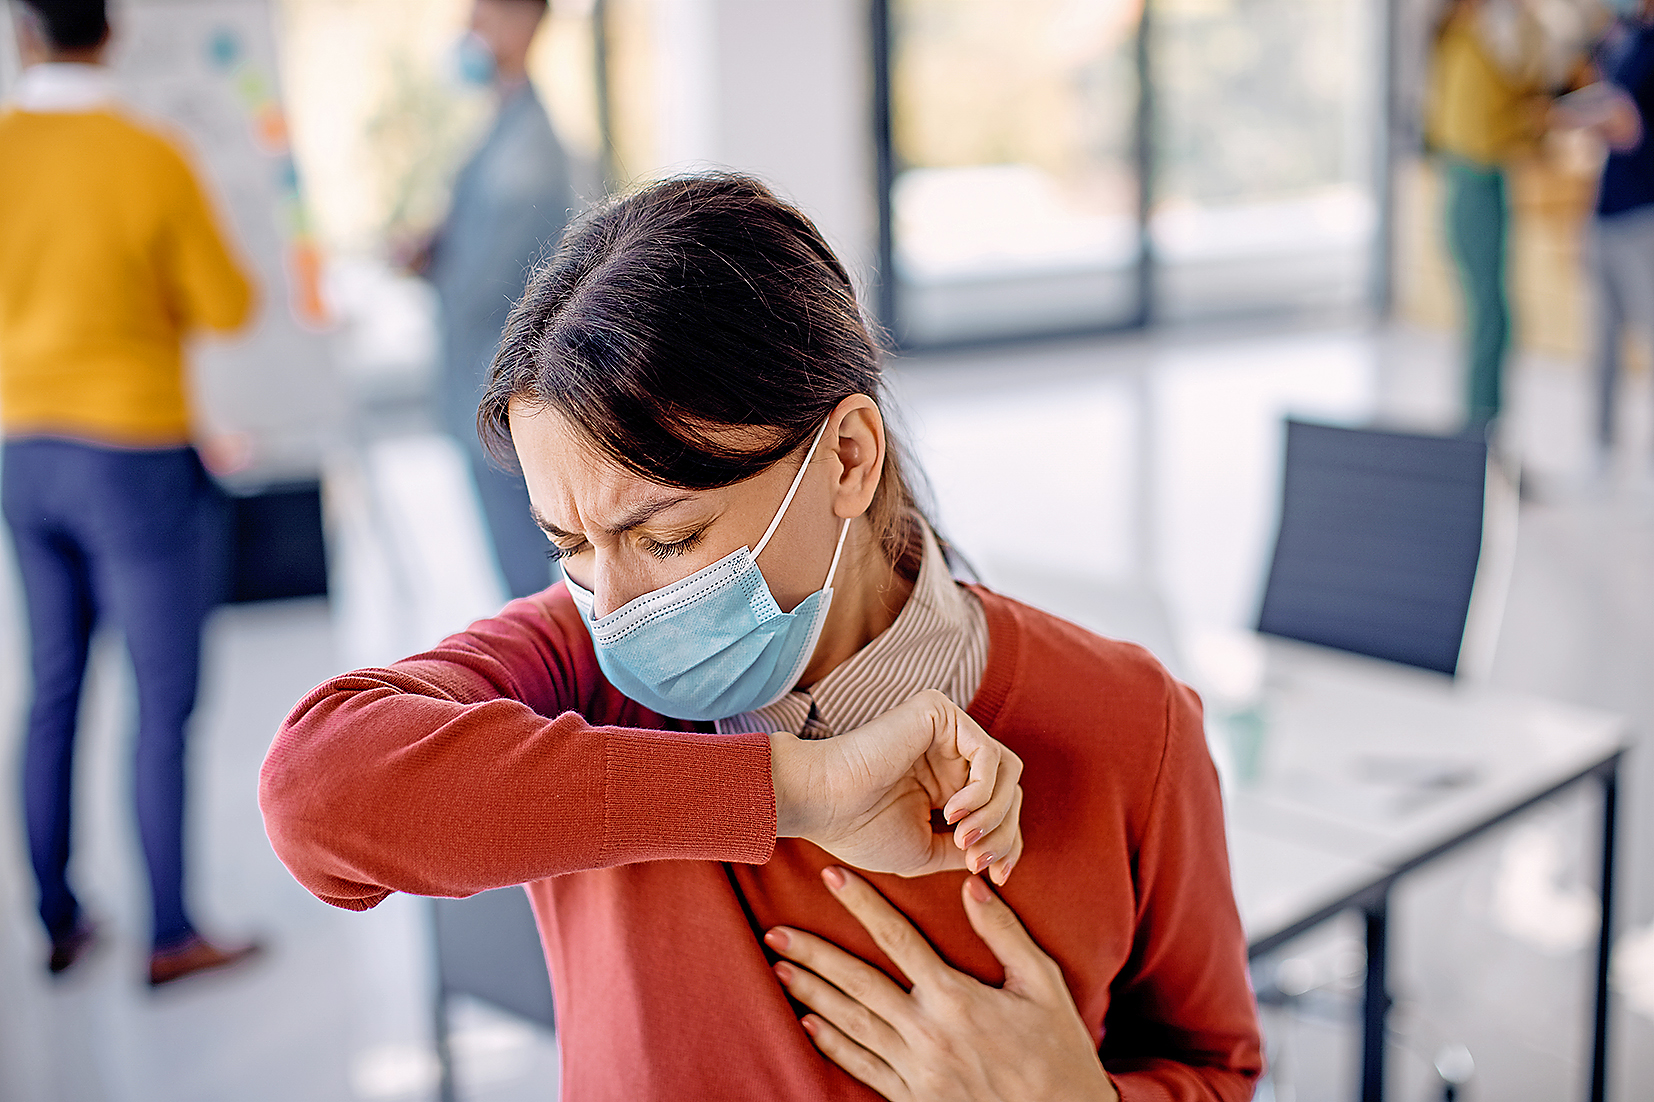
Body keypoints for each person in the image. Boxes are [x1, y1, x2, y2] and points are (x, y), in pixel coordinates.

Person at [261, 175, 1262, 1100]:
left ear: (848, 459)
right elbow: (315, 794)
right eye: (569, 544)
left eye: (666, 537)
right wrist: (796, 792)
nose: (616, 605)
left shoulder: (1128, 724)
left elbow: (1216, 1066)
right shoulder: (568, 670)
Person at [0, 0, 260, 984]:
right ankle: (171, 934)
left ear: (24, 35)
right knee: (162, 699)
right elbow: (227, 305)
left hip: (22, 451)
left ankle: (56, 918)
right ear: (109, 33)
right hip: (133, 454)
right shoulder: (150, 157)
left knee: (53, 685)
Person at [419, 0, 576, 598]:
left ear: (524, 23)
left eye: (482, 19)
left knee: (528, 576)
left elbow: (490, 278)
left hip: (502, 379)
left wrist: (441, 265)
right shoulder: (502, 127)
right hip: (484, 374)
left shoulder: (529, 149)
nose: (468, 32)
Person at [1427, 0, 1552, 436]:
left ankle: (1485, 429)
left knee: (1491, 317)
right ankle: (1480, 432)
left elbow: (1514, 92)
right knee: (1490, 320)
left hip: (1478, 187)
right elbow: (1485, 131)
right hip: (1474, 187)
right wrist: (1537, 121)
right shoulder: (1465, 48)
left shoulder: (1469, 45)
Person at [1556, 0, 1654, 463]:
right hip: (1607, 210)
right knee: (1602, 341)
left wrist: (1578, 116)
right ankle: (1601, 446)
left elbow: (1628, 126)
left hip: (1643, 215)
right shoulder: (1625, 37)